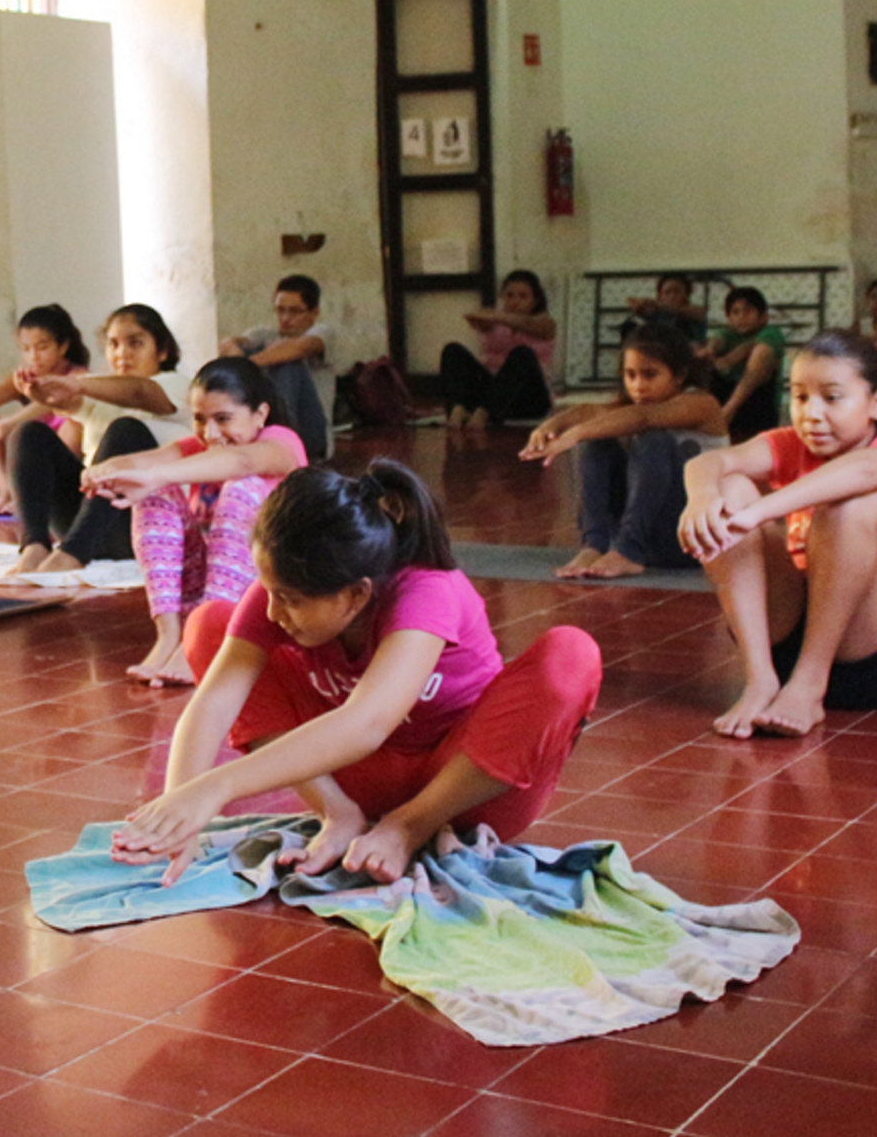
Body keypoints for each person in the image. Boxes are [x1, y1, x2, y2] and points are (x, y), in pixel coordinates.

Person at [109, 462, 601, 884]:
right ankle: (342, 816)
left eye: (294, 601)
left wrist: (216, 787)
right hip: (357, 782)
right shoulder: (283, 590)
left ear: (358, 594)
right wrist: (181, 814)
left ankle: (409, 826)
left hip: (462, 789)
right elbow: (214, 700)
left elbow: (366, 722)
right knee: (209, 624)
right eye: (271, 590)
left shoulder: (427, 590)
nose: (275, 611)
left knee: (572, 653)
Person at [680, 330, 877, 739]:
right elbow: (710, 462)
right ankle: (760, 679)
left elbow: (865, 471)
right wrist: (701, 499)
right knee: (728, 488)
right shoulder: (792, 443)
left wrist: (762, 511)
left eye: (832, 397)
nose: (811, 413)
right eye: (800, 397)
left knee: (852, 499)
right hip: (790, 644)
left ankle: (809, 684)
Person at [80, 357, 307, 688]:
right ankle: (171, 635)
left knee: (239, 489)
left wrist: (152, 475)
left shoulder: (281, 442)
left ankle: (204, 640)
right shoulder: (200, 446)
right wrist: (103, 471)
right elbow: (145, 461)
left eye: (223, 419)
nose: (210, 433)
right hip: (204, 589)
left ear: (261, 413)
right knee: (154, 491)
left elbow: (241, 463)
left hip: (268, 588)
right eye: (200, 420)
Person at [523, 321, 728, 579]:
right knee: (600, 440)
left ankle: (628, 552)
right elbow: (591, 411)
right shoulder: (632, 405)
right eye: (630, 375)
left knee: (653, 441)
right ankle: (594, 545)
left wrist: (574, 434)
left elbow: (644, 417)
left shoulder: (702, 404)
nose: (638, 385)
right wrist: (551, 425)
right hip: (643, 536)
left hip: (691, 542)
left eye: (649, 374)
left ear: (679, 375)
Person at [4, 303, 192, 574]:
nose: (122, 353)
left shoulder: (176, 384)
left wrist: (79, 382)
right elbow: (68, 403)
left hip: (143, 525)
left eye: (135, 343)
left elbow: (140, 392)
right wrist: (41, 395)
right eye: (113, 344)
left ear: (162, 351)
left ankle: (71, 555)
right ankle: (35, 546)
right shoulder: (102, 389)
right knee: (28, 433)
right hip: (85, 522)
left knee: (125, 430)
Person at [0, 304, 89, 515]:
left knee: (72, 426)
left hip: (61, 466)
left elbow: (48, 403)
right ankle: (8, 492)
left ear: (63, 347)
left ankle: (39, 497)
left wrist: (6, 425)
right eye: (26, 349)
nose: (33, 356)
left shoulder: (78, 376)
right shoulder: (23, 377)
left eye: (42, 348)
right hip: (27, 460)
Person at [218, 274, 334, 460]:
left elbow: (299, 347)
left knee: (286, 362)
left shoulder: (324, 333)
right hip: (268, 425)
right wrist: (234, 349)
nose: (286, 318)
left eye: (295, 311)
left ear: (314, 312)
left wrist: (246, 366)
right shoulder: (264, 333)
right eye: (281, 310)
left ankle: (281, 442)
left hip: (309, 434)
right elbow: (228, 343)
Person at [438, 270, 556, 429]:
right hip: (491, 392)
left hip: (528, 399)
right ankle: (457, 410)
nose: (515, 301)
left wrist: (497, 316)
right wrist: (490, 317)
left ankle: (484, 415)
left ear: (535, 300)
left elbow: (528, 325)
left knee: (523, 353)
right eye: (510, 295)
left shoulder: (545, 322)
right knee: (452, 350)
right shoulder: (494, 320)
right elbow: (476, 319)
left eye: (522, 296)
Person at [705, 286, 786, 442]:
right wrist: (709, 350)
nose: (742, 317)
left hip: (758, 409)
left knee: (760, 352)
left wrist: (731, 358)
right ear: (728, 317)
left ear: (764, 317)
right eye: (736, 312)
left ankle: (726, 412)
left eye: (748, 311)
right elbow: (717, 342)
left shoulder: (772, 333)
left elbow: (755, 346)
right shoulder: (727, 334)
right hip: (723, 402)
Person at [626, 272, 709, 346]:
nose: (672, 296)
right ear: (660, 296)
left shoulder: (696, 312)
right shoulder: (657, 314)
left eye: (677, 292)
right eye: (667, 292)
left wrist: (651, 302)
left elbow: (698, 313)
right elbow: (643, 312)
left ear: (687, 294)